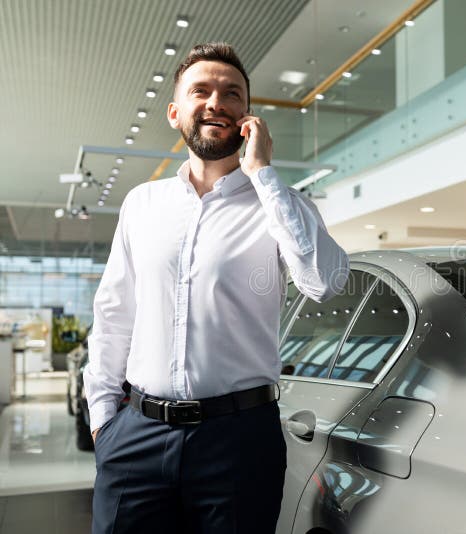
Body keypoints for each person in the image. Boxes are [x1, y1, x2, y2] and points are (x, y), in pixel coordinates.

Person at [84, 42, 349, 534]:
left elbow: (324, 283)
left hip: (239, 441)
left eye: (231, 94)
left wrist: (264, 175)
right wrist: (104, 421)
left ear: (246, 115)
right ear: (175, 112)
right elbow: (114, 312)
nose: (216, 102)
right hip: (136, 434)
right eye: (200, 91)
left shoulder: (280, 203)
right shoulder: (143, 203)